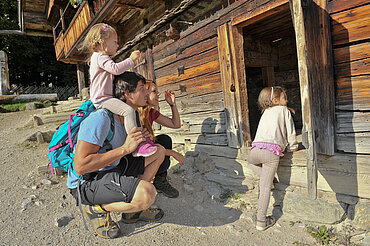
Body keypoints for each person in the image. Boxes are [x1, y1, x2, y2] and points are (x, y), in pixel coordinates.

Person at [68, 72, 166, 239]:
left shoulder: (130, 116)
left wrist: (142, 140)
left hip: (113, 168)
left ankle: (131, 213)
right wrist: (125, 149)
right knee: (148, 194)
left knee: (159, 151)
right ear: (127, 94)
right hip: (88, 181)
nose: (147, 93)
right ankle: (95, 209)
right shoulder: (102, 118)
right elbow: (81, 165)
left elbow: (132, 149)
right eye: (142, 88)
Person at [80, 23, 157, 157]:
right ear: (102, 41)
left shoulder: (97, 58)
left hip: (105, 97)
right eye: (114, 42)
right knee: (128, 111)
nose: (117, 45)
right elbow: (115, 69)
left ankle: (140, 140)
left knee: (132, 111)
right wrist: (131, 60)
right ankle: (136, 146)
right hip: (102, 99)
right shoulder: (101, 56)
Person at [246, 86, 298, 231]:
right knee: (265, 187)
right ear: (276, 100)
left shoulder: (265, 112)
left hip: (255, 150)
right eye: (284, 98)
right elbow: (291, 132)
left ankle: (266, 177)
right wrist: (292, 147)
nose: (286, 100)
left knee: (250, 162)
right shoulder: (284, 111)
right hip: (270, 154)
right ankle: (261, 221)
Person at [138, 80, 184, 198]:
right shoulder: (134, 113)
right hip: (135, 155)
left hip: (147, 149)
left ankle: (160, 181)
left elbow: (175, 124)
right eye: (154, 91)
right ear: (144, 93)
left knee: (164, 139)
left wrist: (172, 104)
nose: (158, 94)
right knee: (163, 144)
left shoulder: (151, 112)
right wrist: (173, 153)